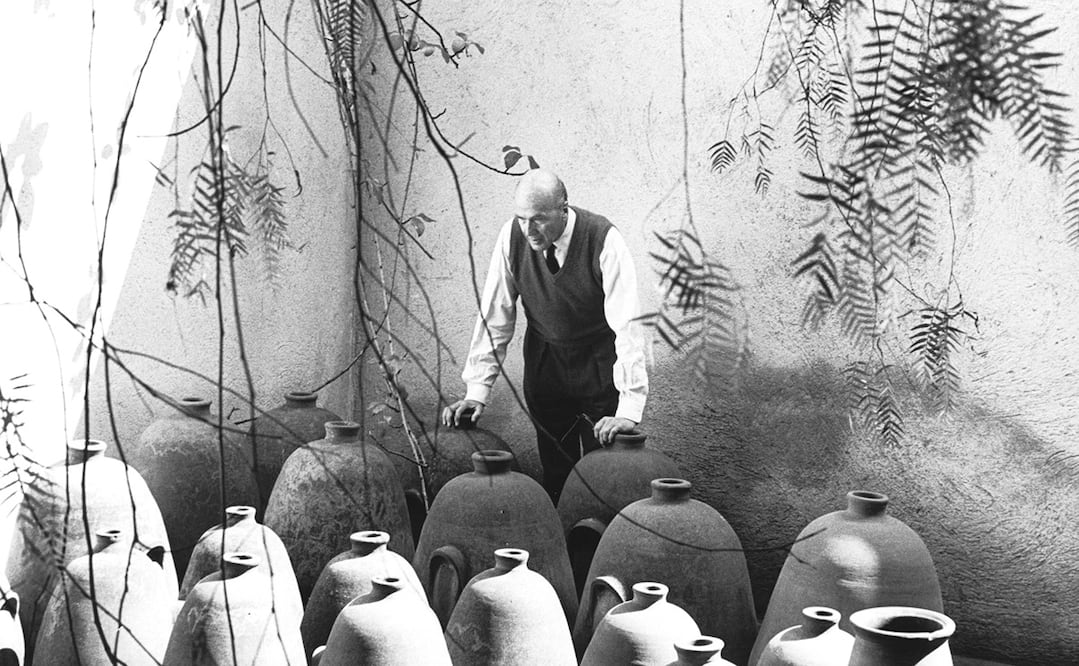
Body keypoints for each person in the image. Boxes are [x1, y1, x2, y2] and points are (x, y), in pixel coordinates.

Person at [441, 168, 649, 503]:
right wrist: (477, 391)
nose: (528, 230)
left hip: (599, 368)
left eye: (538, 219)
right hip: (545, 366)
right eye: (521, 219)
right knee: (557, 476)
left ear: (564, 210)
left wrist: (628, 410)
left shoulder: (603, 239)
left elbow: (629, 325)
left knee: (603, 477)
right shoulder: (512, 238)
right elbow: (495, 314)